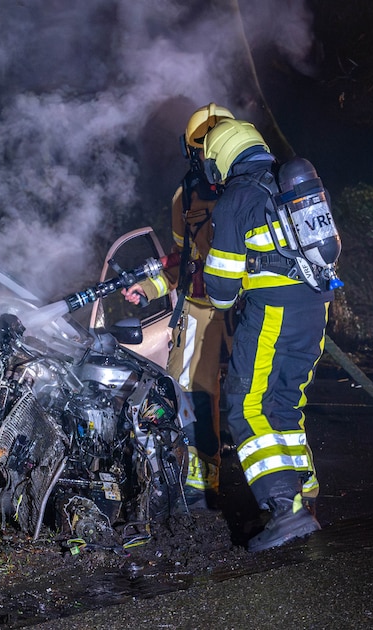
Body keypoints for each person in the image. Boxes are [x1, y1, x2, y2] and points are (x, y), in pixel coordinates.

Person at [198, 114, 334, 552]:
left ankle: (284, 510)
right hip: (315, 308)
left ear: (220, 159)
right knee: (283, 402)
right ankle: (303, 494)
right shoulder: (288, 187)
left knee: (244, 403)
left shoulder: (236, 199)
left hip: (273, 314)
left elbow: (219, 290)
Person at [122, 103, 235, 510]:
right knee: (189, 389)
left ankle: (280, 482)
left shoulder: (253, 189)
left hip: (249, 304)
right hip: (202, 306)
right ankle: (201, 477)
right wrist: (148, 289)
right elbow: (179, 256)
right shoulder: (184, 197)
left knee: (261, 393)